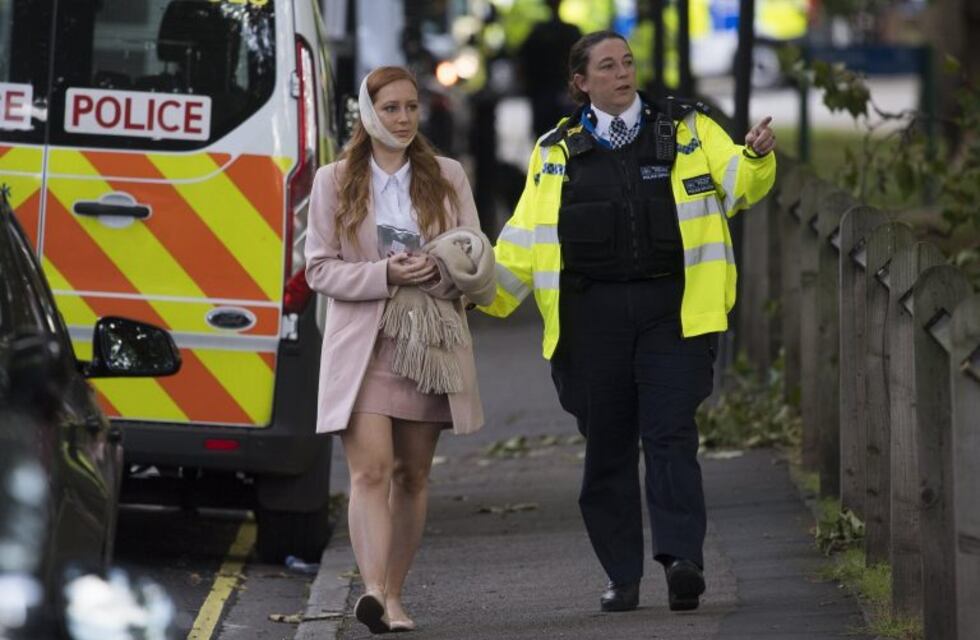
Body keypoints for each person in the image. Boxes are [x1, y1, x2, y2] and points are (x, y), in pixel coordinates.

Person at [480, 31, 776, 613]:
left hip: (674, 310)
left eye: (628, 62)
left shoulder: (688, 129)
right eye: (608, 66)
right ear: (581, 83)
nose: (623, 73)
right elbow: (522, 242)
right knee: (608, 450)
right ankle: (622, 574)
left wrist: (757, 155)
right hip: (592, 321)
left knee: (670, 435)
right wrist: (474, 291)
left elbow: (739, 184)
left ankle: (682, 561)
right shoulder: (555, 150)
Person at [305, 66, 491, 634]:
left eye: (412, 107)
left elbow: (476, 256)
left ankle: (395, 592)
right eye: (391, 108)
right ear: (368, 112)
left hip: (429, 343)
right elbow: (318, 268)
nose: (404, 118)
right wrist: (384, 272)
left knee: (412, 475)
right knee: (371, 472)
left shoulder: (448, 175)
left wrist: (438, 270)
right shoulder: (334, 181)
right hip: (364, 345)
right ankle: (374, 594)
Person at [517, 0, 582, 138]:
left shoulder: (537, 32)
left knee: (546, 136)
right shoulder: (571, 32)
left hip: (545, 93)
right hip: (562, 93)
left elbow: (522, 62)